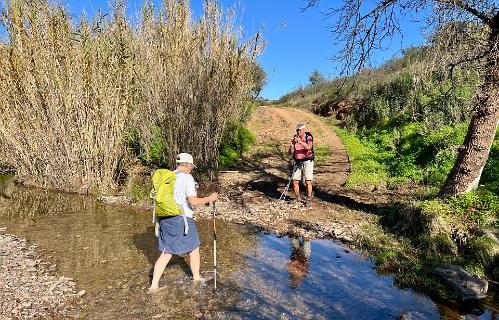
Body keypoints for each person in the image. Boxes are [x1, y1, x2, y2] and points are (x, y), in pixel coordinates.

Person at [148, 153, 218, 293]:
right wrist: (210, 198)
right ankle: (197, 279)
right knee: (194, 249)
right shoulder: (187, 178)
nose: (191, 169)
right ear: (187, 165)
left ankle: (153, 286)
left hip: (164, 218)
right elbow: (192, 201)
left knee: (166, 252)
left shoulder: (169, 178)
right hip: (182, 219)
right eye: (191, 166)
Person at [288, 123, 314, 207]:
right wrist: (292, 145)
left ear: (303, 130)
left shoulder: (308, 138)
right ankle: (297, 198)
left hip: (307, 161)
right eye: (297, 130)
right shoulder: (295, 139)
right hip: (297, 161)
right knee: (295, 181)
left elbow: (309, 147)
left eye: (299, 130)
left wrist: (300, 142)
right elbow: (290, 153)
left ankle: (309, 199)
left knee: (308, 181)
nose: (298, 131)